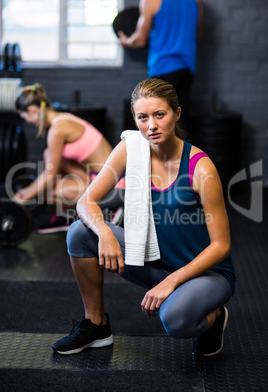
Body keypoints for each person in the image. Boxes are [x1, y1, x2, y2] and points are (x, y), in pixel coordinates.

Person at [52, 78, 236, 357]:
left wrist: (171, 282)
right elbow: (85, 201)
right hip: (156, 262)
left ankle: (215, 317)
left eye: (160, 115)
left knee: (176, 320)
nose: (151, 125)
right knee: (80, 233)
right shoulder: (131, 149)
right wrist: (104, 232)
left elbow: (221, 246)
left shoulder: (201, 169)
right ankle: (96, 325)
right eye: (143, 117)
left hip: (205, 274)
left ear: (177, 113)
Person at [13, 83, 124, 233]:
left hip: (113, 188)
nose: (27, 121)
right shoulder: (63, 118)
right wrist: (28, 191)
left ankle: (105, 211)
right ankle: (67, 215)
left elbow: (49, 175)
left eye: (24, 116)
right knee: (49, 155)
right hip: (104, 178)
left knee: (44, 191)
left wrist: (21, 199)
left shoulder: (57, 129)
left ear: (31, 110)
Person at [118, 0, 203, 127]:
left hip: (163, 68)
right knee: (179, 121)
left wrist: (126, 41)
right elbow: (197, 35)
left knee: (156, 124)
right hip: (187, 68)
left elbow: (140, 40)